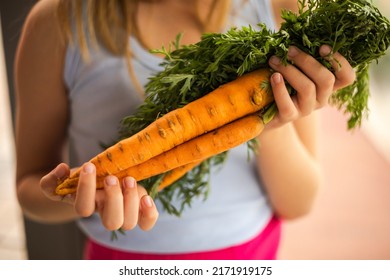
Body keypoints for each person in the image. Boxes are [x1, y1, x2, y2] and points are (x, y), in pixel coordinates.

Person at [14, 0, 355, 260]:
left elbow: (299, 202)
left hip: (251, 254)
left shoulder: (280, 10)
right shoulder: (58, 23)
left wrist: (266, 119)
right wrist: (77, 197)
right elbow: (29, 185)